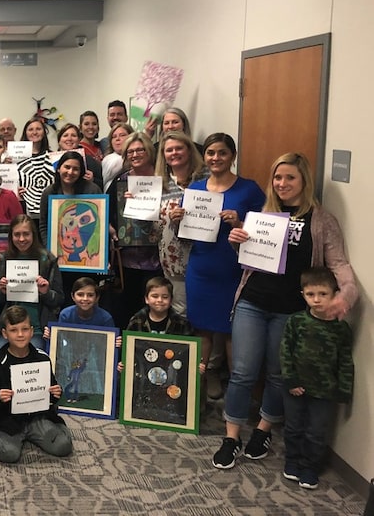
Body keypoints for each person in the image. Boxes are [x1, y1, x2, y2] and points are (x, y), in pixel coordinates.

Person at [212, 153, 358, 470]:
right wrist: (238, 240)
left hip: (291, 311)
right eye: (277, 178)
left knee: (278, 375)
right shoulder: (264, 214)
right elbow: (251, 258)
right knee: (242, 372)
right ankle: (231, 436)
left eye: (290, 177)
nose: (282, 184)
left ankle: (263, 430)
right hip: (253, 301)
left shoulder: (322, 221)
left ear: (303, 180)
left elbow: (340, 266)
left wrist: (344, 297)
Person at [183, 134, 264, 398]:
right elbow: (185, 234)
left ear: (233, 156)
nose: (216, 158)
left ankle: (237, 395)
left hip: (234, 269)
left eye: (222, 153)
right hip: (202, 267)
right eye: (210, 153)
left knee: (233, 332)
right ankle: (199, 389)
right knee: (201, 327)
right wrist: (176, 220)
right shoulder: (194, 189)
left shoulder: (249, 189)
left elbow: (265, 230)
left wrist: (240, 224)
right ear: (204, 156)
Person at [280, 267, 354, 490]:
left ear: (335, 294)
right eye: (311, 294)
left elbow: (345, 360)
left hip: (324, 391)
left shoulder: (341, 329)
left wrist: (344, 389)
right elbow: (285, 352)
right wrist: (290, 380)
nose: (317, 299)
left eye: (323, 294)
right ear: (303, 294)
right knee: (293, 427)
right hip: (295, 387)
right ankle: (292, 461)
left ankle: (310, 467)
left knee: (316, 432)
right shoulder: (296, 322)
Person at [0, 305, 72, 464]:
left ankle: (50, 430)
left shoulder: (42, 359)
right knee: (9, 454)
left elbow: (50, 395)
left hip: (37, 418)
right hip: (9, 419)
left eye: (25, 329)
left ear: (32, 331)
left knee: (63, 446)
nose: (20, 335)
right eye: (14, 330)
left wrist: (55, 394)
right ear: (5, 333)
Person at [107, 132, 163, 329]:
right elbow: (106, 210)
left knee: (154, 309)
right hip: (126, 259)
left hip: (157, 258)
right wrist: (110, 228)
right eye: (130, 151)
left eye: (140, 150)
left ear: (149, 151)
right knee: (126, 310)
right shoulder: (120, 181)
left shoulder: (162, 178)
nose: (135, 154)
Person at [0, 214, 64, 355]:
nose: (21, 239)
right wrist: (1, 291)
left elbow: (59, 299)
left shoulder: (48, 260)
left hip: (37, 329)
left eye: (26, 234)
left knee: (33, 368)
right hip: (10, 330)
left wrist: (45, 292)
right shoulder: (5, 259)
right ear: (11, 236)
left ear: (33, 235)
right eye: (17, 234)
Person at [153, 131, 207, 313]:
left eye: (179, 148)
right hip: (174, 262)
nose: (174, 153)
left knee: (204, 312)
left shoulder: (207, 179)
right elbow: (154, 230)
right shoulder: (159, 184)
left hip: (205, 256)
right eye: (169, 150)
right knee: (180, 312)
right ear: (163, 155)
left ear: (189, 150)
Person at [115, 277, 194, 372]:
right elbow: (129, 350)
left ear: (171, 300)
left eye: (165, 297)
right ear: (146, 299)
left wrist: (196, 364)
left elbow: (190, 352)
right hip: (142, 371)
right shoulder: (137, 321)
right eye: (155, 296)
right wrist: (122, 361)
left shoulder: (182, 323)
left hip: (172, 371)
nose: (160, 300)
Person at [38, 150, 101, 247]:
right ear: (58, 168)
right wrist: (49, 247)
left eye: (75, 169)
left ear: (81, 172)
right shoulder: (49, 193)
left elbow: (99, 223)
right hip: (58, 247)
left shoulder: (92, 190)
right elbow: (43, 225)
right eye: (67, 167)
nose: (70, 172)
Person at [17, 117, 55, 222]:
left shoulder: (53, 156)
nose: (34, 132)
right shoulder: (16, 157)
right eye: (30, 129)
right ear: (25, 133)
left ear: (44, 132)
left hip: (49, 209)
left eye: (38, 129)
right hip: (24, 209)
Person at [46, 277, 114, 332]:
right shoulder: (65, 315)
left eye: (90, 295)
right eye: (80, 295)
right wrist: (52, 336)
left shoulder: (106, 318)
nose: (85, 298)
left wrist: (115, 343)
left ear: (97, 298)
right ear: (73, 296)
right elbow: (61, 339)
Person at [56, 122, 103, 189]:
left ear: (79, 140)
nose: (69, 138)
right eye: (65, 135)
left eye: (73, 136)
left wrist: (93, 180)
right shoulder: (48, 161)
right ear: (59, 141)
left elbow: (103, 185)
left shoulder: (90, 161)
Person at [101, 122, 133, 192]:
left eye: (122, 135)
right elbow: (127, 161)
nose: (117, 139)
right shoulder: (108, 159)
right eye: (114, 137)